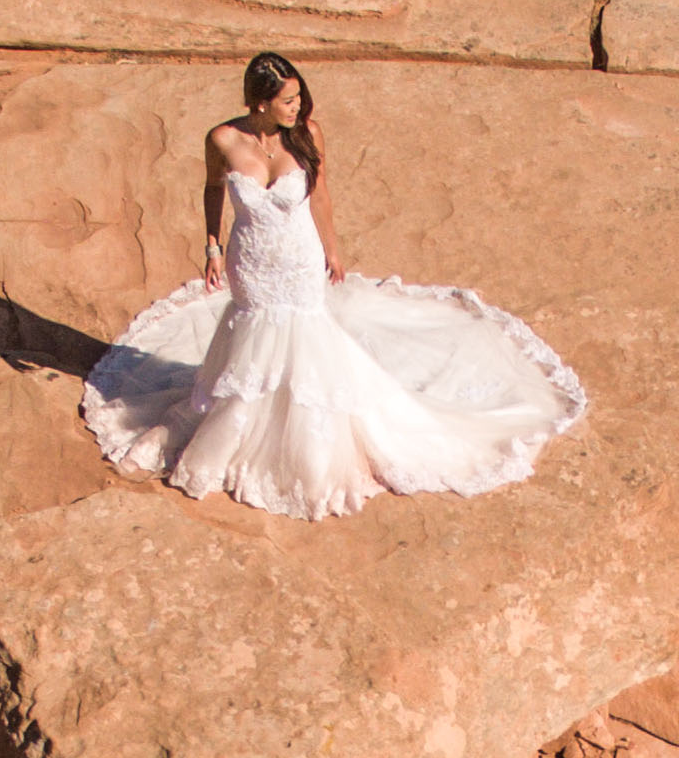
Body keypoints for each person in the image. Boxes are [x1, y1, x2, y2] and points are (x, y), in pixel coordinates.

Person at [78, 52, 586, 519]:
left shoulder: (308, 134)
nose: (298, 108)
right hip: (251, 260)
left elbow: (320, 197)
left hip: (298, 260)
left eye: (299, 98)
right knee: (253, 339)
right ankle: (243, 421)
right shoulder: (223, 140)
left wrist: (333, 250)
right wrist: (211, 245)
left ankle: (306, 441)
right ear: (259, 103)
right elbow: (213, 189)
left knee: (303, 335)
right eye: (288, 101)